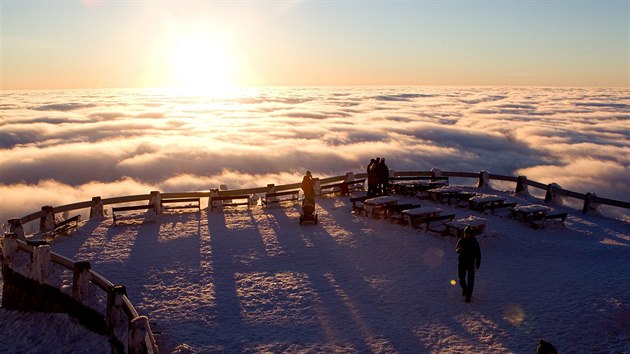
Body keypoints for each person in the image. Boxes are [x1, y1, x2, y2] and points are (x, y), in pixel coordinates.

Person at [456, 225, 481, 303]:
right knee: (461, 278)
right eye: (465, 233)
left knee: (470, 280)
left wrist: (477, 265)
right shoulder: (461, 240)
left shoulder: (475, 243)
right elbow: (456, 249)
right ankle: (465, 289)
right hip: (462, 262)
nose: (466, 235)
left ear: (471, 234)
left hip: (470, 263)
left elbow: (478, 254)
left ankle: (468, 296)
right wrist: (459, 250)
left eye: (468, 234)